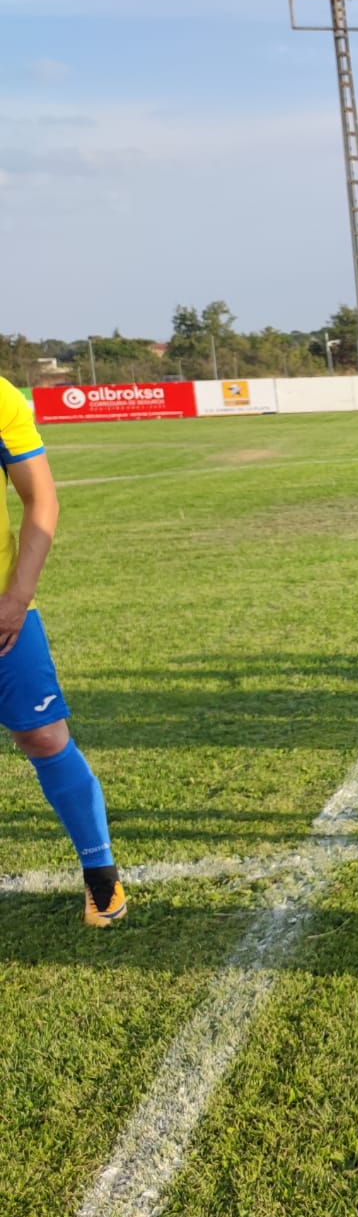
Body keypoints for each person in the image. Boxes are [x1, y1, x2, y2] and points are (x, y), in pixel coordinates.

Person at [0, 378, 126, 927]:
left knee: (43, 735)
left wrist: (17, 596)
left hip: (3, 609)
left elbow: (41, 497)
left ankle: (101, 874)